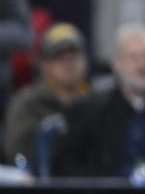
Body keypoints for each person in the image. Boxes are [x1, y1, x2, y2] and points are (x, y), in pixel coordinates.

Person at [53, 24, 145, 178]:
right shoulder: (89, 109)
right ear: (117, 64)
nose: (142, 65)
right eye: (134, 57)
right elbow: (67, 164)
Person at [3, 23, 86, 174]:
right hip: (39, 189)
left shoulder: (94, 102)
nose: (69, 64)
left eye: (73, 56)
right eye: (60, 57)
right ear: (44, 64)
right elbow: (16, 155)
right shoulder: (27, 104)